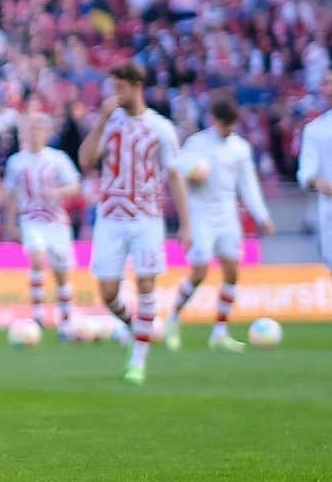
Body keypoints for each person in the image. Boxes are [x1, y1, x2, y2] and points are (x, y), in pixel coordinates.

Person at [78, 62, 191, 385]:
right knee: (108, 292)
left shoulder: (160, 128)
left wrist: (186, 224)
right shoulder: (109, 122)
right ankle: (133, 325)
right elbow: (86, 159)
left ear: (137, 86)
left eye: (120, 88)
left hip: (146, 218)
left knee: (146, 284)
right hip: (111, 217)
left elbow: (174, 176)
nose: (116, 94)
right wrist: (100, 120)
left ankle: (138, 360)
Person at [166, 99, 275, 353]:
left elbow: (248, 185)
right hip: (201, 214)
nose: (227, 129)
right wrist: (192, 171)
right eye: (224, 124)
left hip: (227, 214)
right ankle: (172, 319)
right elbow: (176, 169)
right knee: (199, 271)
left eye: (231, 125)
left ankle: (219, 332)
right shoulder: (197, 143)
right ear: (214, 120)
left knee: (232, 271)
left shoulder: (240, 149)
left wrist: (262, 216)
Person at [3, 112, 82, 332]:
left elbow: (75, 187)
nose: (35, 134)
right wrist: (10, 223)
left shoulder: (58, 159)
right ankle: (38, 315)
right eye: (31, 130)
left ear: (46, 133)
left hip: (56, 221)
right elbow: (10, 194)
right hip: (31, 219)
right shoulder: (16, 162)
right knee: (37, 258)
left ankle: (66, 318)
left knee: (61, 273)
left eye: (39, 130)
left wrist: (56, 192)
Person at [297, 70, 332, 269]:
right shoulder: (315, 130)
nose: (327, 88)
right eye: (325, 83)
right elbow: (306, 171)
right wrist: (316, 182)